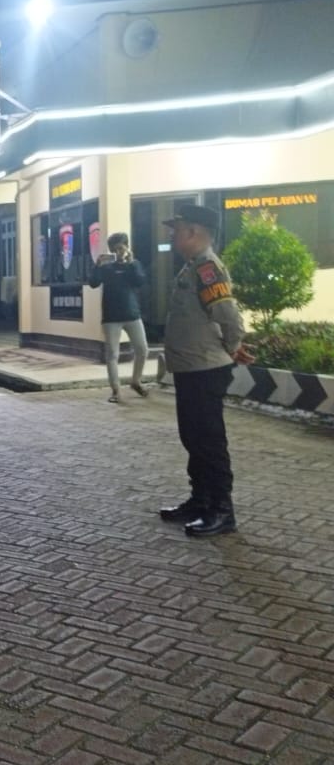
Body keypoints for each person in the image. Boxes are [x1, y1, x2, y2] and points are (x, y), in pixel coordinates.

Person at [158, 204, 252, 538]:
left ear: (193, 232)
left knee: (208, 440)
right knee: (193, 437)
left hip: (204, 368)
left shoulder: (208, 268)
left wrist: (232, 345)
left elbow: (226, 313)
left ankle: (221, 511)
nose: (173, 234)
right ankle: (199, 500)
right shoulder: (193, 267)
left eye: (177, 229)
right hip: (191, 367)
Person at [89, 233, 149, 403]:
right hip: (111, 317)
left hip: (132, 314)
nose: (118, 251)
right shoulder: (106, 268)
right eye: (114, 248)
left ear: (127, 247)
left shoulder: (133, 265)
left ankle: (136, 381)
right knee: (112, 354)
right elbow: (93, 283)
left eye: (121, 247)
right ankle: (115, 390)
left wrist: (131, 262)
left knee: (142, 349)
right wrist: (97, 265)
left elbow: (140, 281)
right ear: (110, 250)